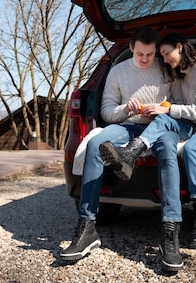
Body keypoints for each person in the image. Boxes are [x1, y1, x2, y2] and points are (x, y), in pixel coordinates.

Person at [60, 26, 185, 272]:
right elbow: (106, 111)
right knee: (95, 144)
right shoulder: (118, 71)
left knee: (168, 149)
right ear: (131, 48)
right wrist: (126, 109)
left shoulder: (166, 68)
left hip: (160, 128)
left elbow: (181, 102)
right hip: (127, 126)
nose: (146, 59)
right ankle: (87, 227)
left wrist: (163, 108)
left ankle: (171, 233)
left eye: (150, 54)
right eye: (140, 54)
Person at [100, 32, 196, 249]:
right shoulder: (182, 73)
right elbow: (180, 109)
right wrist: (162, 110)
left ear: (180, 47)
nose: (164, 60)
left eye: (165, 54)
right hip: (195, 123)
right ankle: (132, 153)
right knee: (164, 118)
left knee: (191, 148)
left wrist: (169, 109)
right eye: (162, 56)